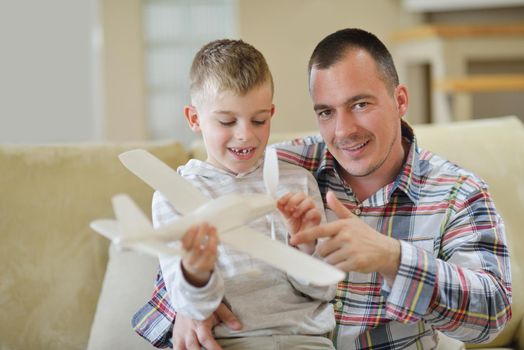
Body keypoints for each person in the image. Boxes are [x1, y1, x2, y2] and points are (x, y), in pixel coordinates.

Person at [134, 29, 512, 349]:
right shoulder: (280, 167)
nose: (343, 130)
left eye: (360, 104)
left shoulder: (458, 192)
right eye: (326, 112)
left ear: (399, 101)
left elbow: (492, 313)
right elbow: (193, 244)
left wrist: (393, 259)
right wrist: (184, 307)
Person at [132, 39, 337, 350]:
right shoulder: (175, 194)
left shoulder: (297, 182)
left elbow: (324, 291)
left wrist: (306, 248)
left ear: (272, 113)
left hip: (305, 341)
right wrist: (196, 273)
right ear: (194, 119)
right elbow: (191, 308)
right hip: (231, 342)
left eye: (259, 120)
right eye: (227, 121)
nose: (245, 134)